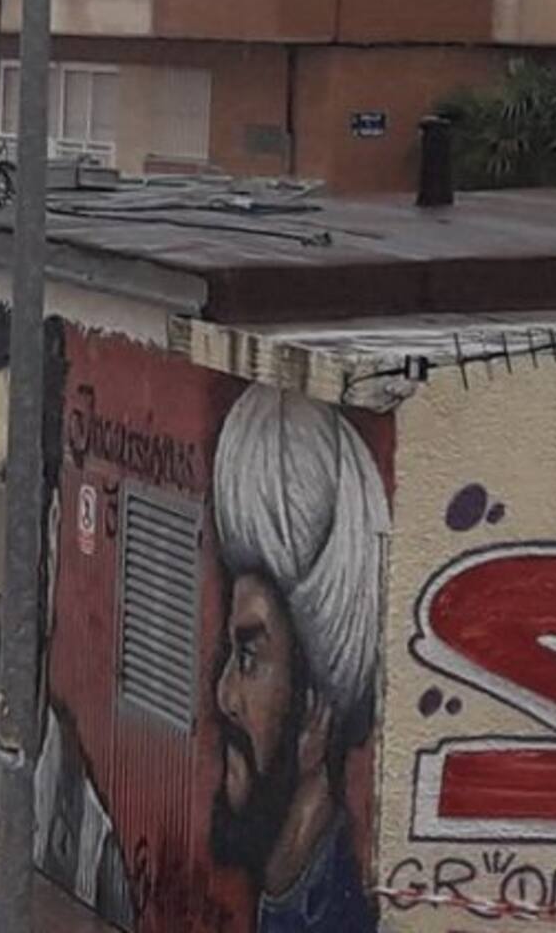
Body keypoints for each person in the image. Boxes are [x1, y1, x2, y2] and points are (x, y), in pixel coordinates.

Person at [211, 384, 388, 933]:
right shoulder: (294, 878)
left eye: (249, 657)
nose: (224, 696)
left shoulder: (329, 897)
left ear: (317, 695)